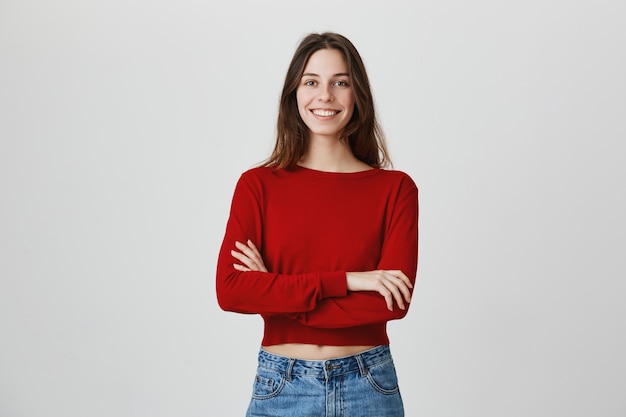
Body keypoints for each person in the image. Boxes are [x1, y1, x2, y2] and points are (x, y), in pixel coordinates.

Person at [216, 32, 418, 417]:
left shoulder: (395, 190)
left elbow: (391, 303)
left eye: (340, 82)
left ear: (357, 94)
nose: (324, 95)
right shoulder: (258, 185)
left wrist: (275, 293)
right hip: (282, 386)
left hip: (369, 386)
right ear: (294, 93)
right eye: (311, 82)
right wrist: (348, 281)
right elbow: (231, 291)